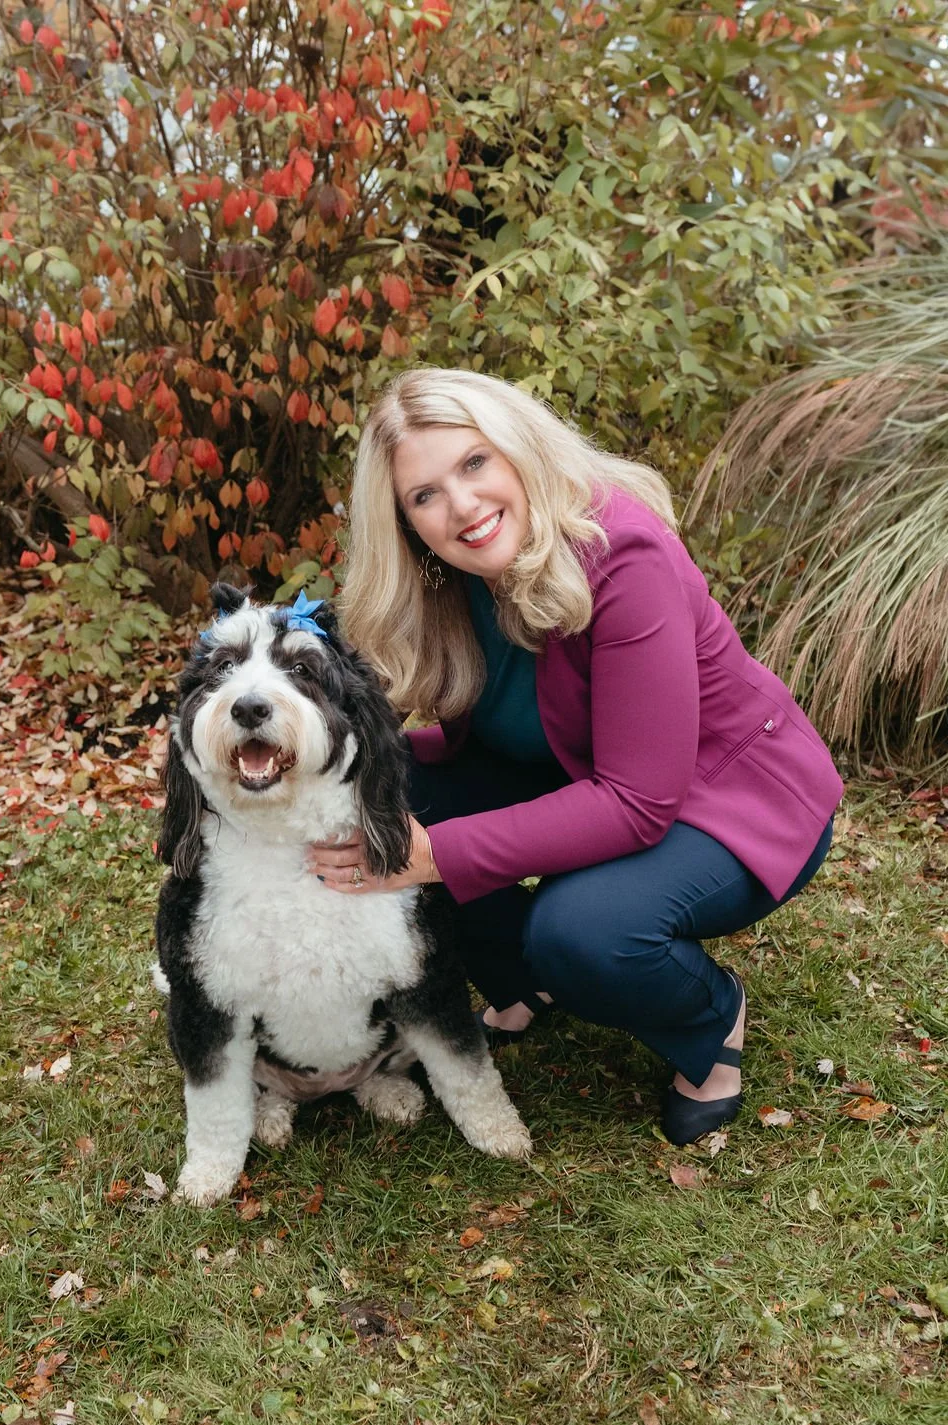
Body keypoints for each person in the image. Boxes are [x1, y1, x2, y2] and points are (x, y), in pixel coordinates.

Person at [308, 368, 842, 1145]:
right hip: (578, 766)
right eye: (424, 495)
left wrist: (434, 855)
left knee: (580, 931)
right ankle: (520, 988)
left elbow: (638, 799)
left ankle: (711, 1021)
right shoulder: (446, 579)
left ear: (517, 448)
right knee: (379, 790)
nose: (461, 506)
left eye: (474, 464)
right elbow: (460, 740)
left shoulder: (620, 550)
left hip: (726, 797)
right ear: (405, 520)